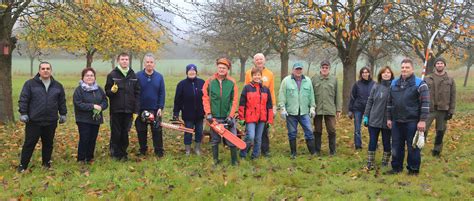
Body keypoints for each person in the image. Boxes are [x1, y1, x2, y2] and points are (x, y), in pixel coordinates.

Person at [17, 61, 67, 172]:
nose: (45, 70)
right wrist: (23, 113)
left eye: (48, 68)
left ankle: (46, 164)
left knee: (48, 144)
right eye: (43, 68)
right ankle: (22, 166)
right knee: (29, 144)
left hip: (51, 121)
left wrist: (63, 113)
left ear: (51, 71)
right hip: (34, 121)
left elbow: (61, 101)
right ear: (39, 71)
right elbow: (24, 99)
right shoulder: (30, 84)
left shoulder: (58, 86)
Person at [385, 58, 430, 175]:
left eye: (407, 67)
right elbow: (389, 103)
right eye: (403, 67)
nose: (404, 70)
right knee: (396, 146)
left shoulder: (420, 84)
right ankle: (396, 168)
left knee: (413, 147)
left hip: (412, 121)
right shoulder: (394, 83)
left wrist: (422, 121)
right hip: (396, 121)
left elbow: (425, 104)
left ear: (412, 69)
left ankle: (413, 169)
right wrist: (389, 118)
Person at [202, 57, 239, 165]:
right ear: (217, 68)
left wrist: (231, 116)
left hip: (228, 116)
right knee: (214, 140)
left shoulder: (232, 82)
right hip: (214, 116)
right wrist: (208, 113)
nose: (221, 69)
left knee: (232, 139)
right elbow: (205, 98)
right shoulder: (210, 81)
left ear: (227, 69)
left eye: (224, 68)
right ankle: (215, 160)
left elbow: (234, 100)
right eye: (220, 67)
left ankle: (234, 161)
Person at [104, 52, 140, 161]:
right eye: (122, 59)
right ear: (118, 61)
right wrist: (112, 91)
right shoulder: (112, 75)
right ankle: (115, 153)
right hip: (116, 110)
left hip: (129, 110)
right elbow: (107, 92)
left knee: (125, 133)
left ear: (129, 61)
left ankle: (123, 153)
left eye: (126, 59)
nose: (124, 61)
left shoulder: (133, 75)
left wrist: (136, 110)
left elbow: (137, 93)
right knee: (116, 133)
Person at [278, 62, 316, 159]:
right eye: (296, 69)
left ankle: (313, 152)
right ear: (293, 70)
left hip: (304, 112)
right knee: (292, 132)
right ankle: (293, 153)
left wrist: (312, 107)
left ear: (302, 70)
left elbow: (311, 95)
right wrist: (282, 108)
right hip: (291, 112)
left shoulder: (307, 80)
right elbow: (282, 95)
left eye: (300, 69)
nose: (298, 71)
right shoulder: (286, 81)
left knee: (309, 131)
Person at [73, 67, 108, 164]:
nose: (89, 77)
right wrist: (92, 106)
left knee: (93, 139)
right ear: (83, 77)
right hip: (83, 119)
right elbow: (78, 104)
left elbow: (105, 101)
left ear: (95, 77)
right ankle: (81, 159)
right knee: (84, 138)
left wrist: (101, 107)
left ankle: (89, 157)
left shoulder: (98, 89)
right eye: (87, 75)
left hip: (96, 119)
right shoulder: (79, 90)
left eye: (91, 75)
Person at [244, 53, 276, 157]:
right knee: (250, 134)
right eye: (257, 59)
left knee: (263, 132)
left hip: (264, 108)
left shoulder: (270, 74)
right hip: (251, 109)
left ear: (264, 60)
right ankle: (245, 151)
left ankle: (264, 151)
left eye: (261, 59)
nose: (259, 61)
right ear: (254, 61)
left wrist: (273, 107)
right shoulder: (248, 73)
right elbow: (245, 91)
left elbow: (271, 91)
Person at [238, 67, 274, 159]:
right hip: (250, 118)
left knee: (258, 139)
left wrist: (269, 120)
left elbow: (269, 106)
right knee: (250, 137)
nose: (257, 77)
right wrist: (241, 118)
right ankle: (243, 153)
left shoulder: (265, 89)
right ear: (252, 76)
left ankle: (255, 156)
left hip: (262, 118)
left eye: (258, 75)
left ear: (261, 76)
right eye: (254, 75)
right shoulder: (247, 88)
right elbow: (242, 104)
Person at [424, 57, 456, 157]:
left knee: (440, 131)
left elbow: (453, 96)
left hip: (443, 110)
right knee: (423, 129)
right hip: (429, 109)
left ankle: (437, 151)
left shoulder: (450, 80)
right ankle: (418, 149)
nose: (439, 65)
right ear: (435, 65)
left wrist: (451, 111)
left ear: (444, 65)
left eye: (441, 63)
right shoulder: (427, 78)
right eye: (438, 63)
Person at [363, 66, 394, 169]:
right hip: (374, 119)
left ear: (391, 75)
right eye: (384, 73)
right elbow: (370, 101)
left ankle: (385, 162)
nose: (386, 74)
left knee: (386, 142)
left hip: (387, 121)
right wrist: (366, 116)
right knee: (373, 141)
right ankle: (370, 162)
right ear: (381, 75)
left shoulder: (394, 87)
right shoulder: (376, 86)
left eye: (388, 73)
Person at [135, 53, 165, 157]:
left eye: (151, 62)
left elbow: (162, 93)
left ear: (154, 64)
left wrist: (160, 107)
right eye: (147, 62)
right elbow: (135, 93)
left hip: (155, 109)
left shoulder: (159, 77)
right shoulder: (137, 76)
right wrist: (136, 108)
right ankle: (143, 149)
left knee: (157, 131)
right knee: (141, 131)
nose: (149, 64)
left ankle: (159, 151)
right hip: (140, 109)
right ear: (144, 63)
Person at [173, 64, 205, 156]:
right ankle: (187, 150)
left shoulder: (202, 82)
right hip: (187, 114)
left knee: (199, 131)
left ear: (196, 72)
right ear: (187, 72)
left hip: (200, 113)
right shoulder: (181, 84)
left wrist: (207, 111)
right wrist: (176, 112)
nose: (192, 72)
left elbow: (207, 98)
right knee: (188, 131)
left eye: (194, 70)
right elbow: (177, 100)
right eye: (190, 71)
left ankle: (197, 148)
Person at [311, 60, 341, 156]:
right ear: (320, 68)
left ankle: (332, 151)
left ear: (329, 69)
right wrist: (311, 107)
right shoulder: (314, 79)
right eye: (323, 67)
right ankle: (317, 150)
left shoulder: (334, 79)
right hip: (317, 109)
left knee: (331, 130)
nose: (324, 69)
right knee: (317, 130)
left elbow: (338, 95)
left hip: (330, 109)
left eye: (326, 68)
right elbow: (311, 95)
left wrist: (338, 109)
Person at [348, 66, 375, 150]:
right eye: (363, 72)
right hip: (358, 109)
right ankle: (358, 145)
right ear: (361, 74)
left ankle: (373, 144)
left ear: (369, 73)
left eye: (366, 72)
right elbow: (352, 97)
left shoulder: (374, 84)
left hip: (370, 109)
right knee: (357, 129)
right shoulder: (357, 84)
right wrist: (350, 110)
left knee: (372, 128)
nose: (365, 74)